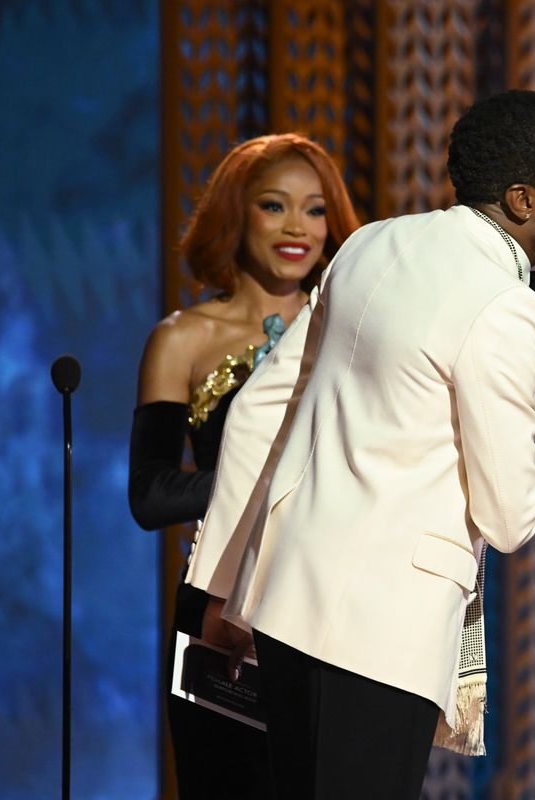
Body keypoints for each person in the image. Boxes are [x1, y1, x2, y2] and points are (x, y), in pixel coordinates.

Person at [221, 89, 535, 799]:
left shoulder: (372, 241)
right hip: (377, 634)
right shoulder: (505, 302)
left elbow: (264, 406)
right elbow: (510, 516)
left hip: (284, 603)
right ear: (522, 200)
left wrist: (228, 590)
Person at [127, 133, 359, 799]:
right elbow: (150, 494)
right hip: (221, 609)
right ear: (236, 214)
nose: (298, 228)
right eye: (274, 206)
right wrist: (269, 490)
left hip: (335, 603)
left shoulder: (354, 333)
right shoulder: (182, 339)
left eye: (315, 210)